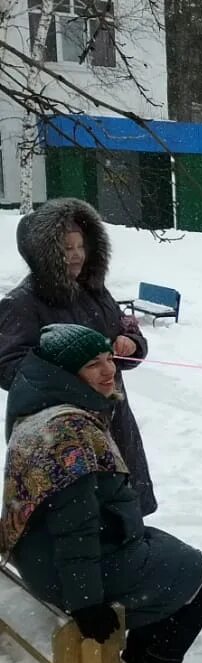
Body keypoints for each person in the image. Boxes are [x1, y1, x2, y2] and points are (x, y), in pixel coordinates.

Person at [2, 324, 202, 663]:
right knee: (201, 580)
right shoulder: (68, 434)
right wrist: (86, 604)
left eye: (108, 360)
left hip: (47, 549)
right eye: (91, 365)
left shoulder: (38, 402)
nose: (108, 372)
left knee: (171, 556)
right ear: (66, 374)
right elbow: (75, 529)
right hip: (67, 568)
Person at [0, 198, 155, 514]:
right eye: (66, 248)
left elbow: (125, 329)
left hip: (115, 423)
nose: (76, 255)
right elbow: (9, 369)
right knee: (79, 520)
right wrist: (74, 370)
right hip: (63, 435)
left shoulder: (95, 291)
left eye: (80, 246)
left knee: (121, 513)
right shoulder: (23, 303)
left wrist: (129, 342)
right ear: (43, 253)